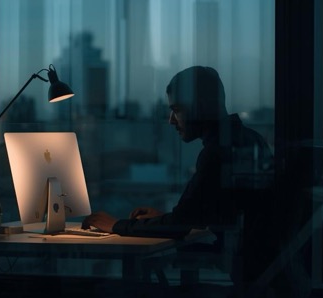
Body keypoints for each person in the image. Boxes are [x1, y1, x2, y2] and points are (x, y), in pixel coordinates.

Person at [82, 65, 277, 286]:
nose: (171, 120)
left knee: (131, 294)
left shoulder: (217, 154)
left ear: (199, 108)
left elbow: (181, 224)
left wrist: (116, 225)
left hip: (248, 284)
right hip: (261, 278)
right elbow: (198, 215)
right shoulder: (250, 140)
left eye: (177, 110)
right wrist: (165, 219)